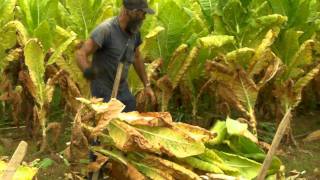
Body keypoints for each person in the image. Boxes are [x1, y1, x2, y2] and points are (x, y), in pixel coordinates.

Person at [76, 0, 156, 112]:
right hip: (103, 91)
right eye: (142, 13)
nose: (144, 18)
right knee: (109, 125)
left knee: (131, 116)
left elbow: (137, 57)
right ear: (131, 11)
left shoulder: (134, 32)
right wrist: (88, 71)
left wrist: (147, 85)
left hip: (122, 89)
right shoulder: (106, 30)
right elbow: (81, 54)